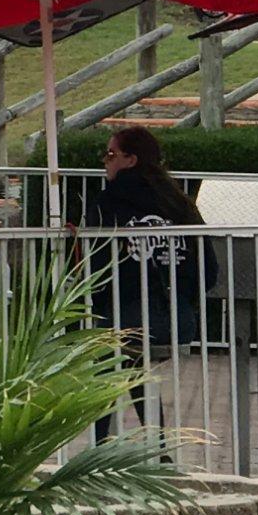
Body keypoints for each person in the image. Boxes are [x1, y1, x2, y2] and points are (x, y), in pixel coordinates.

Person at [84, 126, 209, 444]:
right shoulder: (180, 204)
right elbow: (209, 270)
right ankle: (159, 446)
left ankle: (99, 448)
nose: (105, 161)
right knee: (133, 365)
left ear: (130, 160)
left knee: (107, 357)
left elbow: (96, 275)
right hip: (178, 320)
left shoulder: (107, 204)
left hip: (125, 320)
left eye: (111, 154)